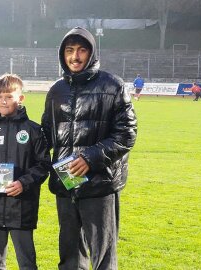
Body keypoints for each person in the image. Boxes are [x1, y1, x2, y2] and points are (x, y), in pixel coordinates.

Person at [41, 27, 137, 270]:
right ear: (62, 54)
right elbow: (46, 135)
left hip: (99, 183)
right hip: (67, 182)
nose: (75, 57)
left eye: (82, 50)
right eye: (70, 50)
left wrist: (90, 158)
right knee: (70, 256)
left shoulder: (113, 85)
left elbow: (127, 134)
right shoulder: (56, 91)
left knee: (103, 258)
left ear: (92, 53)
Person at [0, 73, 51, 270]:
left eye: (8, 96)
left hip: (21, 207)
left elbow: (43, 165)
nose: (3, 101)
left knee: (26, 262)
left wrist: (23, 183)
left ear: (20, 98)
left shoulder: (33, 131)